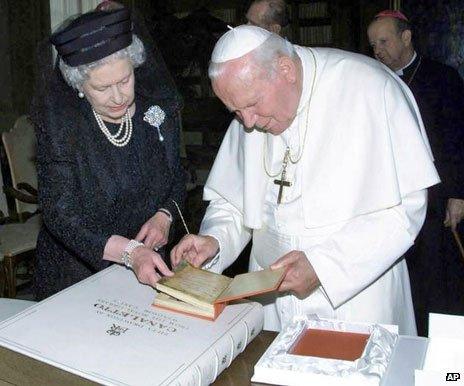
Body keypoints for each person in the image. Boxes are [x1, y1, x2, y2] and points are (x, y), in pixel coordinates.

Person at [170, 25, 440, 334]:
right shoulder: (250, 111)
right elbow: (234, 203)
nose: (247, 123)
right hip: (271, 296)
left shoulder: (370, 88)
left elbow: (405, 210)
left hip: (355, 297)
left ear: (285, 69)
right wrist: (214, 240)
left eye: (252, 105)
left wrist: (324, 267)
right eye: (235, 112)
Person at [30, 4, 185, 300]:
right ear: (79, 85)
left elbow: (177, 174)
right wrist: (129, 252)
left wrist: (165, 215)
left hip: (148, 264)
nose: (118, 97)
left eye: (125, 81)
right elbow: (60, 215)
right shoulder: (63, 129)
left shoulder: (155, 110)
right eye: (102, 88)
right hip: (77, 274)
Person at [368, 10, 464, 336]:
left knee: (436, 278)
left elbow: (457, 140)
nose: (378, 50)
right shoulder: (374, 80)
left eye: (384, 41)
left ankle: (441, 355)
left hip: (436, 196)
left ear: (406, 38)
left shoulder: (443, 78)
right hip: (390, 196)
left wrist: (458, 194)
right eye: (373, 44)